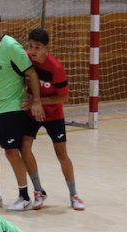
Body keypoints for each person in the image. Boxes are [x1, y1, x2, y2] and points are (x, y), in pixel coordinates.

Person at [0, 9, 45, 212]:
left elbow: (30, 73)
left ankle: (24, 197)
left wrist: (36, 101)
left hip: (13, 108)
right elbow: (0, 77)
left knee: (12, 152)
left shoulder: (11, 46)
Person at [21, 28, 86, 211]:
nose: (33, 51)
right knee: (24, 148)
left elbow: (63, 98)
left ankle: (73, 194)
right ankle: (38, 191)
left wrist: (39, 102)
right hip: (31, 113)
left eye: (38, 47)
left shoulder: (56, 68)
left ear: (46, 48)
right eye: (31, 46)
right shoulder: (25, 58)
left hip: (53, 114)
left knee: (61, 154)